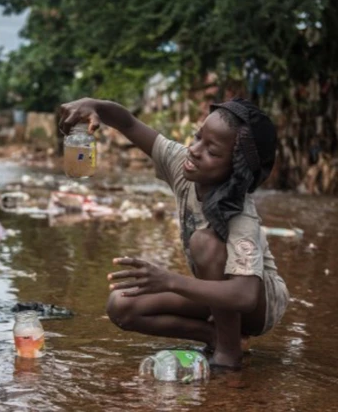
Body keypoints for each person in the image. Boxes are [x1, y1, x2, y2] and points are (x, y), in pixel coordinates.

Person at [59, 97, 289, 369]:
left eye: (212, 152)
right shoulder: (183, 164)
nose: (194, 150)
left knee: (204, 242)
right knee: (122, 305)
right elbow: (128, 124)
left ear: (235, 171)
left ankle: (228, 355)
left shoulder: (241, 215)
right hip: (219, 294)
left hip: (261, 305)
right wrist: (94, 106)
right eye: (198, 137)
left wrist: (169, 281)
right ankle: (216, 337)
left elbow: (245, 295)